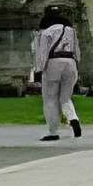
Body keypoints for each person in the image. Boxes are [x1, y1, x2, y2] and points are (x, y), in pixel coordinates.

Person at [28, 8, 81, 141]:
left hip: (53, 63)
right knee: (66, 98)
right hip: (70, 63)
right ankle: (73, 118)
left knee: (50, 98)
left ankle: (53, 131)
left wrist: (39, 70)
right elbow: (77, 52)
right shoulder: (71, 31)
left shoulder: (46, 32)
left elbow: (43, 53)